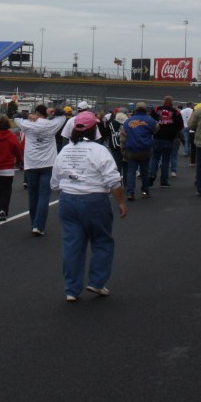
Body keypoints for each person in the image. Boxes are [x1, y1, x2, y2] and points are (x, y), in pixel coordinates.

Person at [51, 111, 127, 301]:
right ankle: (96, 282)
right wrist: (121, 202)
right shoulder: (98, 150)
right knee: (102, 241)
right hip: (94, 199)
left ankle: (71, 289)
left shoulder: (65, 150)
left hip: (68, 199)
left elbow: (54, 182)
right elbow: (113, 179)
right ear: (95, 129)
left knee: (72, 245)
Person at [15, 104, 67, 236]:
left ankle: (34, 223)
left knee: (33, 195)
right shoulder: (52, 124)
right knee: (44, 196)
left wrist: (29, 116)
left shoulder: (27, 124)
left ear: (37, 113)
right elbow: (63, 115)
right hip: (48, 163)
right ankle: (39, 225)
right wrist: (54, 111)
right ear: (47, 113)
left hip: (31, 164)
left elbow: (16, 116)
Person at [120, 103, 157, 200]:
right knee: (144, 171)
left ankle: (130, 193)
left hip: (131, 149)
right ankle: (145, 192)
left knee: (131, 171)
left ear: (135, 110)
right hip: (145, 149)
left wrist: (123, 150)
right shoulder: (150, 120)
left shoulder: (128, 121)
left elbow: (123, 137)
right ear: (146, 110)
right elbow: (157, 129)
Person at [149, 97, 183, 188]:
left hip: (157, 138)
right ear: (172, 102)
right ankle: (164, 181)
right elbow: (180, 126)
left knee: (155, 158)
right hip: (169, 139)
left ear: (163, 102)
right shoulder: (176, 112)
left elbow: (150, 122)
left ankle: (152, 174)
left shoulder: (156, 109)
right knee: (166, 160)